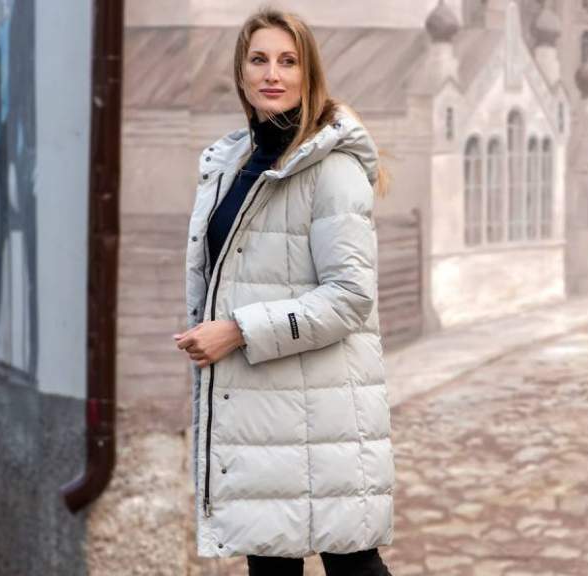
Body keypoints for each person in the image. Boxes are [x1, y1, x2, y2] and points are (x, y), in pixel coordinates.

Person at [174, 7, 394, 576]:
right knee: (272, 570)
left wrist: (237, 331)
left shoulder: (332, 169)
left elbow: (350, 297)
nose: (273, 73)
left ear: (307, 74)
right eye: (260, 59)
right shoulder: (232, 167)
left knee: (353, 568)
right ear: (241, 73)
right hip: (256, 413)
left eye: (288, 61)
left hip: (323, 414)